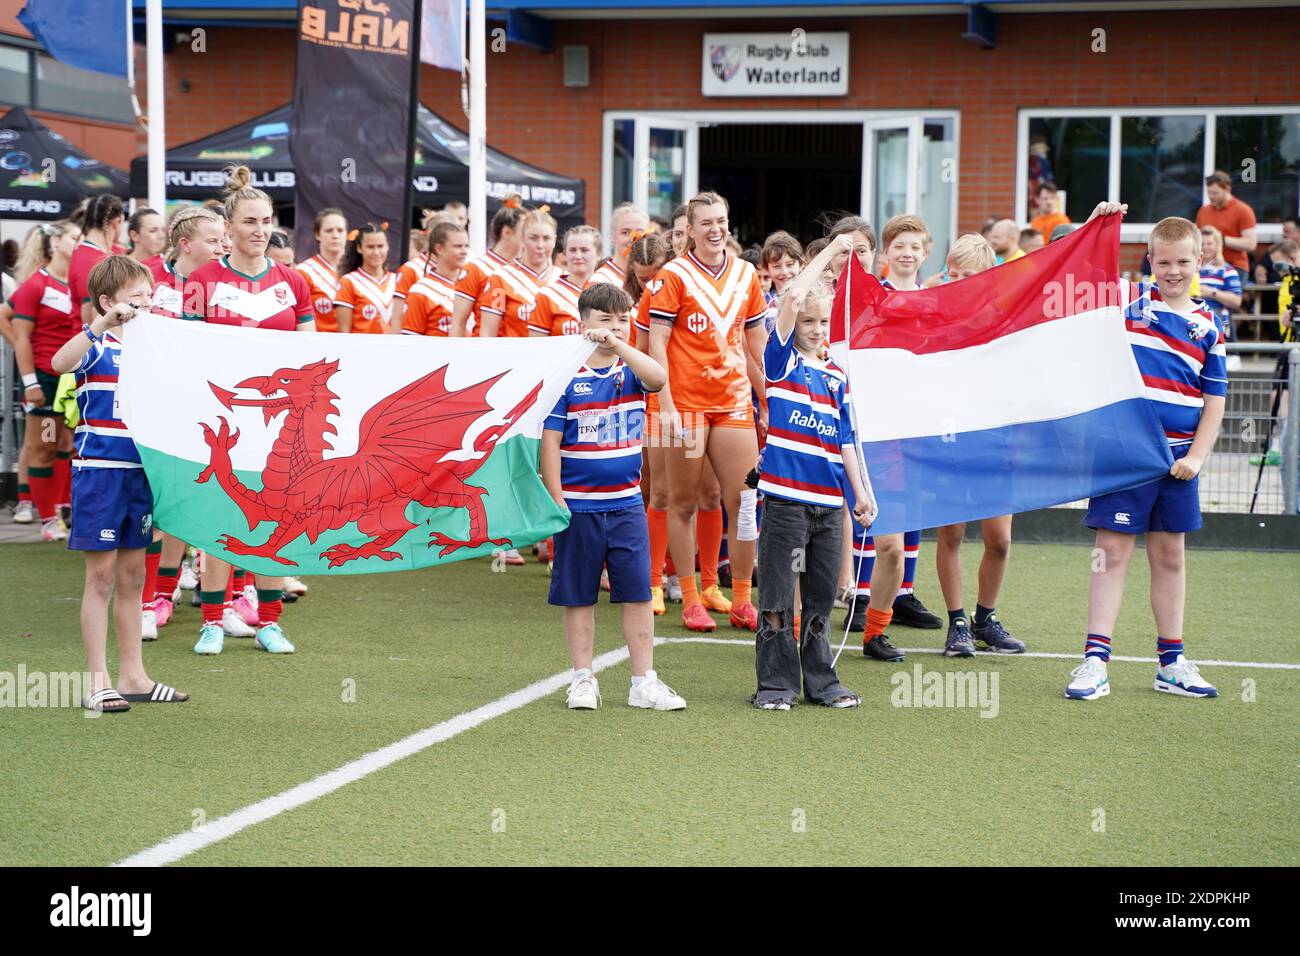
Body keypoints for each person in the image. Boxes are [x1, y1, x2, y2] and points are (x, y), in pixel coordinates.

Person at [1066, 206, 1226, 701]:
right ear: (1149, 262)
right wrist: (1098, 225)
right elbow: (1081, 276)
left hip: (1178, 463)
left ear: (1199, 259)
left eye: (1182, 262)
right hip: (1123, 456)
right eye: (1163, 263)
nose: (1173, 272)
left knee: (1170, 557)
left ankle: (1171, 662)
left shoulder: (1209, 326)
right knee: (1109, 554)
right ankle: (1095, 660)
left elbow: (1214, 400)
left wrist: (1197, 457)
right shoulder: (1129, 304)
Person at [184, 165, 314, 656]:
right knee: (222, 517)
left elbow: (308, 354)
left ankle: (269, 622)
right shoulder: (202, 280)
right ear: (230, 228)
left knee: (275, 518)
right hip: (225, 419)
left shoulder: (293, 282)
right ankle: (213, 622)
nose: (259, 231)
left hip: (281, 426)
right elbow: (188, 349)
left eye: (266, 222)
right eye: (249, 223)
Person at [50, 255, 189, 712]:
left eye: (149, 296)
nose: (146, 304)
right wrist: (101, 324)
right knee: (102, 576)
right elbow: (58, 362)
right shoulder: (96, 342)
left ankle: (134, 676)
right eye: (136, 298)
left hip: (141, 474)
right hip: (100, 474)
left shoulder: (153, 346)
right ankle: (97, 680)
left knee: (134, 574)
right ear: (108, 302)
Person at [542, 282, 685, 712]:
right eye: (604, 319)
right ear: (583, 322)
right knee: (578, 594)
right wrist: (556, 498)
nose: (614, 327)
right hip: (578, 505)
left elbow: (659, 378)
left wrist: (620, 344)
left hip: (625, 504)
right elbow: (549, 442)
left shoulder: (631, 370)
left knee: (639, 593)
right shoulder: (566, 376)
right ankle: (582, 677)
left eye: (623, 319)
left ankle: (644, 680)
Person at [752, 234, 873, 711]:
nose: (818, 328)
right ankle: (775, 686)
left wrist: (860, 493)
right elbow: (794, 295)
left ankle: (822, 682)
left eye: (824, 322)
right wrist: (833, 249)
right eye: (809, 322)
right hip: (784, 502)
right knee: (779, 601)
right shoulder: (779, 362)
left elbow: (846, 440)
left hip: (828, 504)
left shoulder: (838, 375)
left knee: (819, 602)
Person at [648, 191, 767, 633]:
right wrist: (666, 405)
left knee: (741, 500)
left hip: (734, 401)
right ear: (691, 230)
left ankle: (739, 598)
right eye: (706, 223)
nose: (716, 230)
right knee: (681, 503)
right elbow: (655, 344)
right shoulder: (672, 275)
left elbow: (756, 349)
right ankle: (691, 598)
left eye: (722, 221)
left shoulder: (746, 274)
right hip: (685, 406)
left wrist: (768, 400)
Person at [845, 213, 943, 654]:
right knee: (883, 536)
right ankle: (859, 599)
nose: (906, 254)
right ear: (886, 254)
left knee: (906, 531)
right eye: (898, 247)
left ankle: (876, 630)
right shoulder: (871, 298)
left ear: (926, 254)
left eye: (914, 247)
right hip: (875, 432)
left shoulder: (939, 301)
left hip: (918, 431)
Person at [933, 234, 1027, 657]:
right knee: (951, 533)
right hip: (949, 437)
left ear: (988, 275)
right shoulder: (934, 314)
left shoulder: (1006, 317)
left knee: (999, 540)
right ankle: (956, 624)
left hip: (995, 440)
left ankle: (985, 618)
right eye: (953, 273)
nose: (958, 281)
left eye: (967, 275)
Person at [1, 221, 79, 540]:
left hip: (73, 377)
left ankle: (62, 510)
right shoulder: (37, 284)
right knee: (44, 446)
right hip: (45, 380)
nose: (80, 244)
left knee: (68, 445)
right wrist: (30, 379)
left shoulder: (79, 282)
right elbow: (15, 330)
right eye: (75, 238)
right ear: (56, 242)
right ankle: (47, 518)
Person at [477, 205, 558, 338]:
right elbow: (487, 334)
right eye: (533, 238)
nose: (540, 245)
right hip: (513, 356)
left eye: (546, 238)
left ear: (554, 240)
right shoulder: (501, 279)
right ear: (522, 239)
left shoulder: (563, 278)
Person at [450, 194, 524, 337]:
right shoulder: (476, 269)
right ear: (507, 232)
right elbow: (458, 323)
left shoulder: (525, 271)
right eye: (525, 233)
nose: (529, 238)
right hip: (486, 348)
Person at [529, 224, 601, 337]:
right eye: (572, 250)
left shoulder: (610, 292)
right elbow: (536, 346)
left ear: (599, 254)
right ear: (565, 254)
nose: (578, 256)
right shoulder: (547, 295)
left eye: (584, 250)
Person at [400, 220, 469, 336]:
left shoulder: (472, 284)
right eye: (458, 246)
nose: (464, 251)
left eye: (466, 246)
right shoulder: (420, 291)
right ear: (439, 249)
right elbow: (411, 340)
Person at [69, 194, 125, 329]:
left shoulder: (92, 253)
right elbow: (90, 317)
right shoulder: (92, 260)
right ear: (116, 222)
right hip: (93, 345)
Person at [334, 223, 397, 334]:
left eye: (380, 246)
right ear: (359, 248)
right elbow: (344, 333)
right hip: (361, 350)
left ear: (388, 246)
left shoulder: (397, 280)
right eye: (370, 247)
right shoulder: (349, 282)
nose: (376, 252)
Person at [295, 207, 348, 333]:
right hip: (320, 346)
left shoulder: (358, 270)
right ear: (318, 234)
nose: (335, 235)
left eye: (340, 230)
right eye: (329, 230)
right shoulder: (304, 272)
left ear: (347, 233)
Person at [1196, 172, 1257, 278]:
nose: (1210, 196)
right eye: (1209, 193)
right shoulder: (1203, 211)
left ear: (1227, 190)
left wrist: (1220, 239)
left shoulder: (1243, 210)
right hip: (1206, 265)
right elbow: (1197, 239)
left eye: (1215, 193)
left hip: (1235, 265)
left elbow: (1251, 244)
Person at [1197, 225, 1242, 349]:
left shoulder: (1227, 270)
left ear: (1218, 245)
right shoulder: (1190, 268)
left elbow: (1237, 301)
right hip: (1192, 320)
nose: (1205, 247)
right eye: (1202, 243)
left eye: (1209, 243)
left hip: (1217, 320)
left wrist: (1212, 292)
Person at [591, 203, 650, 287]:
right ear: (613, 236)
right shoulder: (600, 281)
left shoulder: (655, 276)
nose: (632, 238)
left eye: (639, 232)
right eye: (625, 232)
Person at [1029, 181, 1070, 246]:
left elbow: (1065, 245)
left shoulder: (1062, 220)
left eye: (1052, 198)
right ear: (1037, 200)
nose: (1049, 202)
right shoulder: (1034, 222)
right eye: (1045, 198)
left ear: (1057, 199)